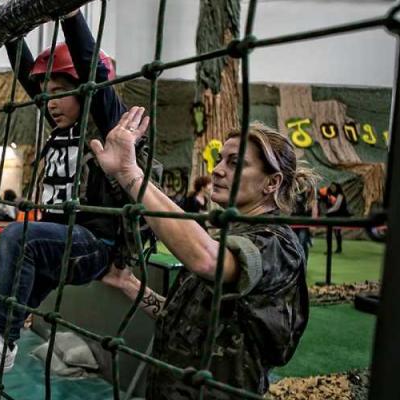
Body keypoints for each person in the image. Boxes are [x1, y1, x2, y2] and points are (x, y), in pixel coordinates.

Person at [0, 6, 128, 379]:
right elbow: (31, 83)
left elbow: (90, 67)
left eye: (61, 92)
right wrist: (7, 34)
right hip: (57, 244)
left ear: (85, 92)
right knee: (0, 312)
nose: (51, 102)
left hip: (93, 245)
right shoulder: (59, 125)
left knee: (18, 235)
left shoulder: (102, 122)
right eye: (47, 95)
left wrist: (70, 15)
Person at [94, 112, 316, 398]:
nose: (218, 170)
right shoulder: (226, 236)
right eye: (220, 159)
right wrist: (129, 284)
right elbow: (181, 318)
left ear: (271, 183)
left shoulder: (277, 244)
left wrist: (130, 174)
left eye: (235, 163)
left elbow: (207, 260)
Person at [325, 182, 350, 253]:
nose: (332, 188)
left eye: (334, 186)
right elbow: (327, 204)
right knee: (328, 233)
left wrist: (328, 211)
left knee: (337, 232)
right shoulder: (329, 194)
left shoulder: (340, 195)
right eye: (331, 186)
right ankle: (329, 249)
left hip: (337, 216)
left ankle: (339, 248)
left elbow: (337, 207)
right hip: (330, 217)